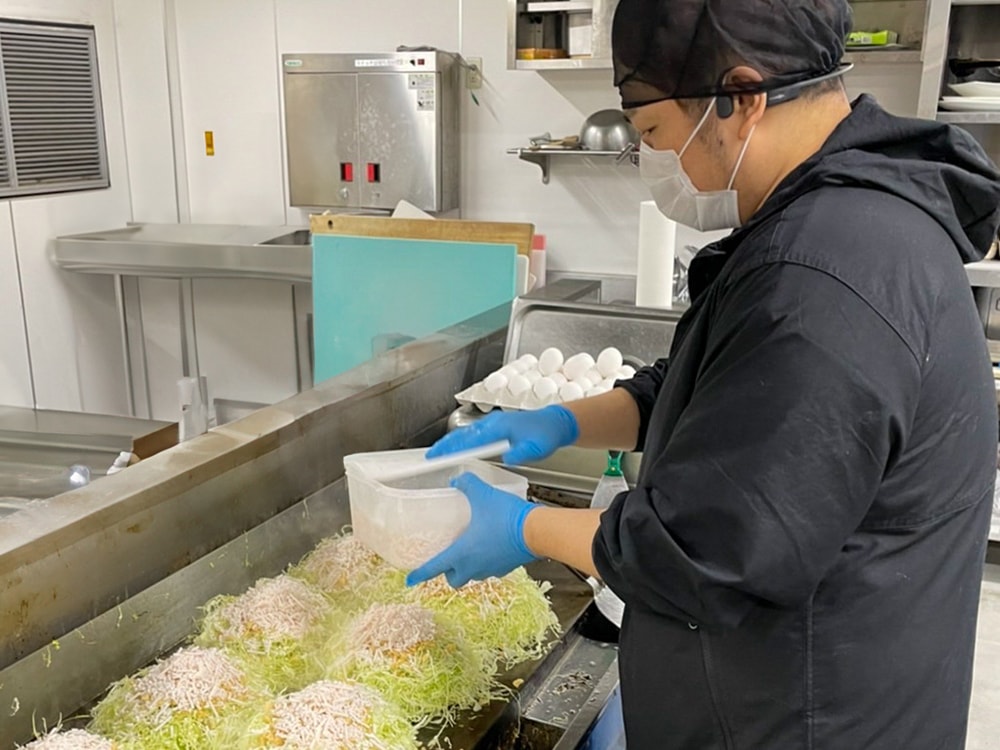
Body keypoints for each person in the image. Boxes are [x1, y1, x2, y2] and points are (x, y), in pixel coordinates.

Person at [406, 0, 1000, 746]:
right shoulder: (837, 221)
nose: (653, 160)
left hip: (805, 719)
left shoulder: (827, 273)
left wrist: (528, 528)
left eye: (654, 133)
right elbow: (722, 389)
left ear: (740, 98)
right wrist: (561, 421)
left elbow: (710, 551)